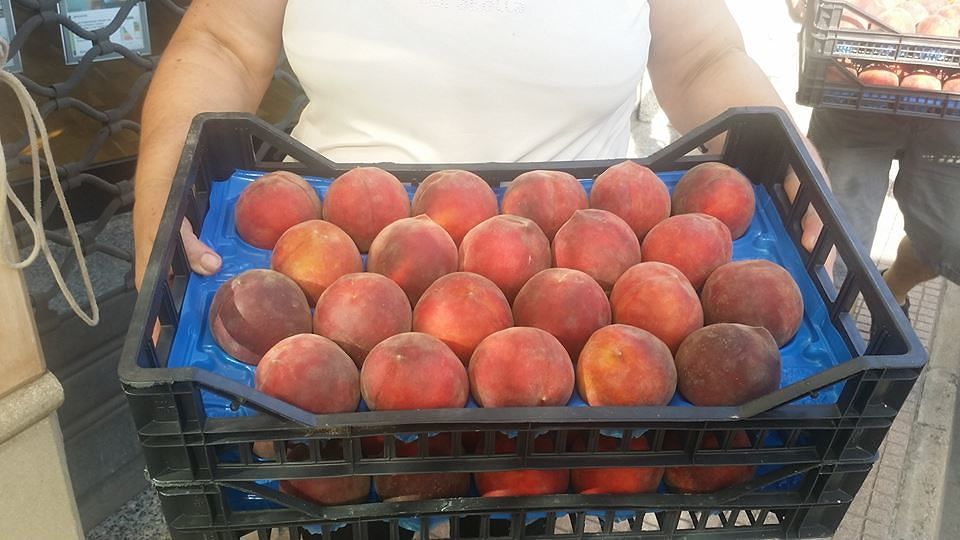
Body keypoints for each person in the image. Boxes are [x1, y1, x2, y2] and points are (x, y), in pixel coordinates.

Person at [132, 0, 827, 287]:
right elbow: (222, 41)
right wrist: (166, 198)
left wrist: (794, 169)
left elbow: (701, 57)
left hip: (580, 278)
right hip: (331, 263)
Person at [808, 108, 960, 315]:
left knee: (948, 241)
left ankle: (893, 290)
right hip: (857, 98)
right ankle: (831, 324)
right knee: (830, 250)